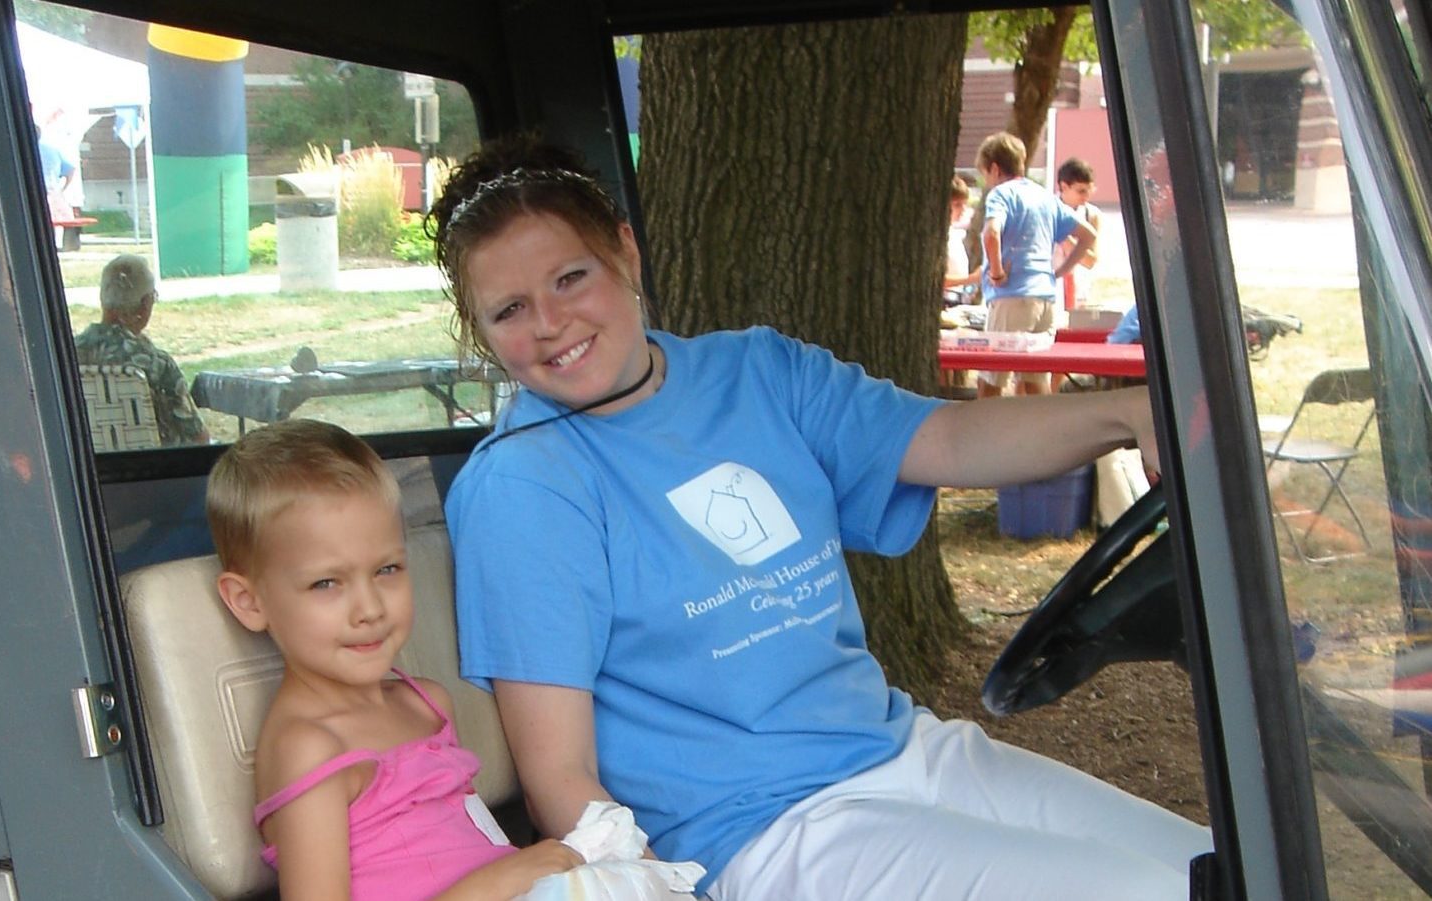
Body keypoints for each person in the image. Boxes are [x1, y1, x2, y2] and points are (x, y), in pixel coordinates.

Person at [429, 134, 1210, 901]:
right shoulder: (525, 485)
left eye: (571, 277)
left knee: (1211, 866)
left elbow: (943, 436)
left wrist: (1129, 412)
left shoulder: (755, 372)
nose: (549, 322)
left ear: (625, 253)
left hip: (902, 748)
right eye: (508, 310)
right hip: (756, 833)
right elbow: (558, 776)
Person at [206, 419, 585, 900]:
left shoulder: (425, 704)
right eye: (326, 583)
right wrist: (495, 883)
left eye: (386, 569)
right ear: (249, 602)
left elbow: (473, 844)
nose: (369, 609)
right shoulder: (309, 748)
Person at [977, 131, 1097, 397]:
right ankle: (1041, 437)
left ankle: (984, 437)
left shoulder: (1000, 195)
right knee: (1035, 382)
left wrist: (996, 272)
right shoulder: (1045, 197)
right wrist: (1061, 272)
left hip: (1011, 296)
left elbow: (991, 233)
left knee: (991, 379)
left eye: (985, 174)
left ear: (995, 168)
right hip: (1045, 298)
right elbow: (1088, 235)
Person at [73, 254, 209, 446]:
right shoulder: (156, 363)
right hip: (149, 470)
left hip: (86, 466)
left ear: (103, 299)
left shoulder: (67, 356)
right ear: (145, 304)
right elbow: (197, 437)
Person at [1053, 157, 1103, 316]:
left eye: (1089, 190)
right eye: (1081, 191)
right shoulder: (1048, 210)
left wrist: (1064, 235)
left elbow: (1090, 261)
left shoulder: (1091, 215)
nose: (1086, 196)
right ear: (1063, 187)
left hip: (1078, 288)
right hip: (1052, 285)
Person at [941, 175, 979, 307]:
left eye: (964, 204)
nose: (963, 210)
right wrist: (972, 278)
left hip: (959, 299)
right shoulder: (939, 238)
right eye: (957, 205)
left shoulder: (954, 235)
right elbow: (938, 280)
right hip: (945, 301)